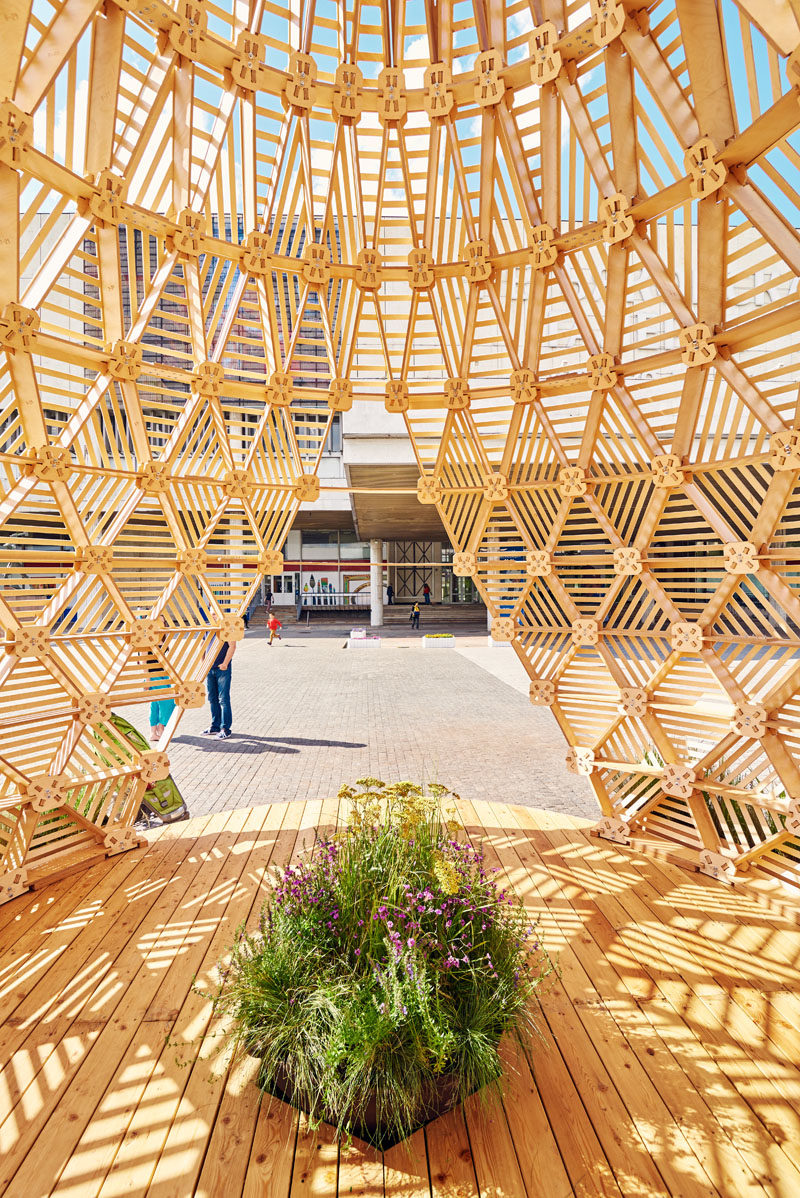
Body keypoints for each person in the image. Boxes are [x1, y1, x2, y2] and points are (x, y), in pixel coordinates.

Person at [203, 638, 236, 739]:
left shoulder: (226, 627)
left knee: (223, 699)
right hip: (210, 668)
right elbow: (203, 645)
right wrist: (203, 663)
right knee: (212, 698)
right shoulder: (209, 627)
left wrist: (225, 663)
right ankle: (215, 726)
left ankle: (225, 729)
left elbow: (232, 645)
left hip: (222, 668)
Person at [147, 652, 175, 743]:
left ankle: (153, 733)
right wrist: (147, 680)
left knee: (155, 704)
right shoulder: (146, 640)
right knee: (169, 701)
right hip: (153, 675)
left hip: (164, 673)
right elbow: (143, 661)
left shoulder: (162, 638)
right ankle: (161, 727)